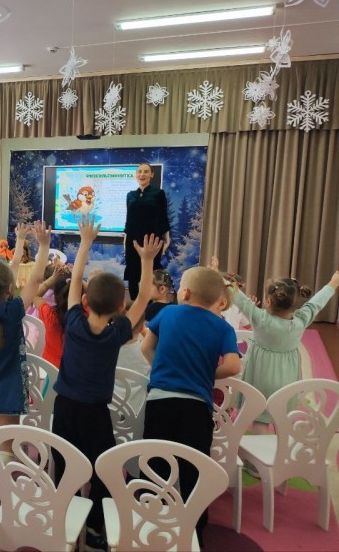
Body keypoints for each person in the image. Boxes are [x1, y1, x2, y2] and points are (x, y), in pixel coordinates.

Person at [51, 215, 161, 551]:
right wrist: (146, 260)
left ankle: (64, 516)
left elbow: (75, 281)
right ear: (120, 307)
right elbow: (145, 296)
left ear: (85, 302)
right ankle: (95, 524)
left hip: (64, 407)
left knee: (63, 461)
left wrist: (84, 242)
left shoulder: (73, 321)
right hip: (95, 412)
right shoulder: (117, 333)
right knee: (104, 468)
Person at [141, 266, 241, 547]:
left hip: (160, 402)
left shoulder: (168, 313)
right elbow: (233, 365)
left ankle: (153, 522)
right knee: (194, 469)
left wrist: (164, 368)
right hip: (197, 408)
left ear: (184, 293)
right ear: (218, 300)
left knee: (156, 462)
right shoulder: (223, 327)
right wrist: (204, 374)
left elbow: (146, 348)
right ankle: (194, 530)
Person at [0, 221, 50, 475]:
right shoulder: (12, 311)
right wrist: (44, 246)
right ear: (9, 288)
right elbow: (36, 278)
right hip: (6, 391)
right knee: (6, 450)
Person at [227, 266, 339, 432]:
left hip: (259, 377)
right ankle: (281, 444)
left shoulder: (260, 319)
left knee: (259, 417)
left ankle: (259, 447)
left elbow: (239, 298)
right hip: (286, 378)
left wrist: (219, 276)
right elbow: (317, 303)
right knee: (281, 414)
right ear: (296, 301)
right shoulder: (301, 320)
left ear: (268, 301)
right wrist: (333, 283)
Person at [124, 163, 171, 300]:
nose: (142, 174)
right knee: (133, 273)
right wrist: (125, 238)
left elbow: (163, 217)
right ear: (136, 175)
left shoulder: (158, 193)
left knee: (151, 272)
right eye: (139, 171)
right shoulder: (130, 195)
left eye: (146, 171)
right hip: (133, 239)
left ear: (151, 174)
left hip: (152, 239)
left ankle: (149, 306)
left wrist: (167, 240)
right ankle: (135, 304)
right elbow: (128, 219)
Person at [33, 263, 71, 369]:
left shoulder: (49, 316)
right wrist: (76, 279)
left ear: (54, 295)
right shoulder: (84, 318)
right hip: (73, 373)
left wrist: (52, 279)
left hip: (49, 370)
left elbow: (34, 295)